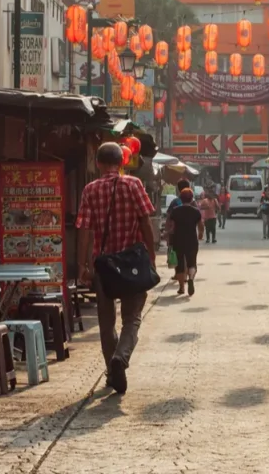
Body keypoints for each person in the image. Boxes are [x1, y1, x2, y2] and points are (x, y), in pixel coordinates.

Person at [76, 142, 157, 395]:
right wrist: (151, 257)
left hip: (104, 266)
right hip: (132, 264)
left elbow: (85, 230)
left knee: (106, 321)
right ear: (122, 162)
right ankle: (120, 358)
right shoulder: (134, 184)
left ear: (97, 163)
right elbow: (145, 222)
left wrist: (84, 265)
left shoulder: (90, 189)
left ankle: (112, 373)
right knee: (132, 319)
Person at [168, 188, 205, 296]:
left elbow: (172, 227)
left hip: (178, 240)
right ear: (191, 198)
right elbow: (201, 225)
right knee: (192, 262)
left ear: (180, 197)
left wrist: (167, 234)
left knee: (179, 264)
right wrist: (200, 234)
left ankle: (181, 288)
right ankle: (191, 279)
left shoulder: (175, 211)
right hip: (192, 240)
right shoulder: (196, 211)